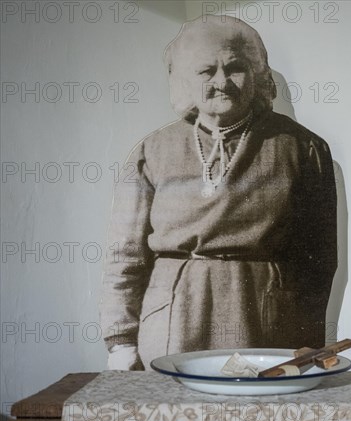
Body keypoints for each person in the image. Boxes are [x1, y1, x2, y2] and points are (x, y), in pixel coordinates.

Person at [100, 15, 338, 370]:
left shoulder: (302, 148)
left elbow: (317, 260)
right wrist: (120, 342)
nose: (222, 81)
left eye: (235, 68)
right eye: (206, 71)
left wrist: (306, 342)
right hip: (173, 321)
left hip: (263, 320)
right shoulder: (153, 151)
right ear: (185, 79)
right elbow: (124, 256)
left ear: (256, 75)